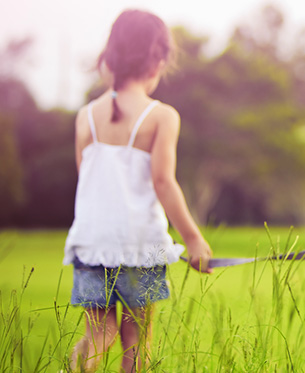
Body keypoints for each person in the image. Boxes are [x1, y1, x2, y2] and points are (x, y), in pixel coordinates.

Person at [63, 9, 213, 372]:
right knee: (137, 341)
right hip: (139, 247)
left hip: (92, 243)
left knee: (98, 335)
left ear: (109, 58)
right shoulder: (162, 116)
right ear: (158, 61)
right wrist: (192, 239)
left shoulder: (86, 116)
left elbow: (87, 178)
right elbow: (164, 182)